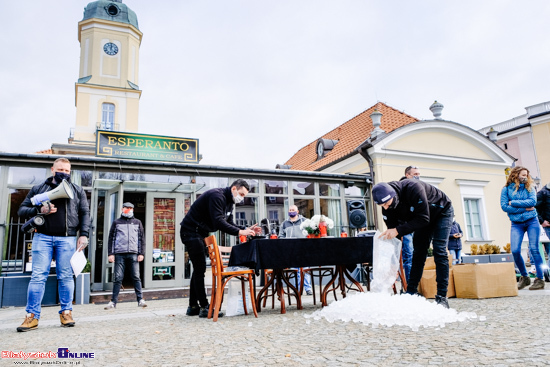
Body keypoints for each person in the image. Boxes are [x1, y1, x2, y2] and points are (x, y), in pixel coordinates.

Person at [16, 158, 90, 332]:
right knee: (38, 277)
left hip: (67, 239)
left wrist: (84, 235)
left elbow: (85, 213)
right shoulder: (39, 189)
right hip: (42, 237)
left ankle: (66, 313)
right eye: (60, 169)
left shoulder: (78, 191)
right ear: (52, 169)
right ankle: (31, 317)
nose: (64, 172)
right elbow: (21, 210)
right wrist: (39, 210)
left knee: (65, 276)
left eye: (67, 169)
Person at [180, 179, 261, 318]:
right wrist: (240, 232)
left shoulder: (230, 203)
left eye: (244, 196)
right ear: (234, 188)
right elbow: (218, 221)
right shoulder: (217, 196)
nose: (241, 198)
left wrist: (244, 228)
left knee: (198, 268)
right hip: (191, 230)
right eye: (241, 194)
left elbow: (229, 222)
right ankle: (205, 307)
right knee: (200, 269)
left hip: (201, 233)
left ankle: (193, 306)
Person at [372, 180, 454, 308]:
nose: (386, 207)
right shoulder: (387, 209)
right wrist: (390, 262)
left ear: (394, 196)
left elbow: (423, 218)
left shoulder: (413, 188)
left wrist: (397, 230)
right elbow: (396, 237)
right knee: (418, 253)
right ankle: (411, 292)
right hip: (420, 219)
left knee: (439, 250)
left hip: (441, 212)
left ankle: (442, 297)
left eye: (387, 203)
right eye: (382, 205)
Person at [501, 166, 545, 290]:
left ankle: (540, 279)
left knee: (534, 249)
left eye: (526, 175)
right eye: (523, 175)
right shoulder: (506, 189)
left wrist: (513, 203)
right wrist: (523, 208)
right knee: (515, 250)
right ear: (516, 175)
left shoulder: (530, 187)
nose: (525, 177)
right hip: (516, 224)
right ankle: (524, 277)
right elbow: (504, 206)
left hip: (532, 221)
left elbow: (532, 202)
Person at [104, 202, 147, 310]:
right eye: (127, 208)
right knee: (118, 278)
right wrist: (111, 253)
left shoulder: (137, 222)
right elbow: (111, 239)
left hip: (133, 253)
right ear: (122, 209)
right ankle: (113, 302)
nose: (129, 209)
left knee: (136, 277)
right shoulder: (116, 222)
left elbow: (141, 239)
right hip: (119, 254)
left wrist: (141, 253)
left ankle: (140, 300)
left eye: (131, 208)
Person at [278, 205, 312, 296]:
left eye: (293, 210)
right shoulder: (284, 223)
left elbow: (311, 232)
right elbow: (280, 236)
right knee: (294, 270)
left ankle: (308, 289)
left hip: (303, 249)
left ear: (298, 211)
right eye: (290, 210)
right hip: (291, 250)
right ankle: (296, 289)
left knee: (305, 269)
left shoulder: (305, 221)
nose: (291, 211)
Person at [399, 165, 421, 282]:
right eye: (415, 174)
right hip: (405, 227)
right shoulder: (401, 189)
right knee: (409, 256)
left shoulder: (417, 188)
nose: (417, 177)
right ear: (407, 175)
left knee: (416, 256)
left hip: (415, 226)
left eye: (419, 174)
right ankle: (409, 286)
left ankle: (415, 284)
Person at [536, 181, 550, 270]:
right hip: (547, 226)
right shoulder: (543, 193)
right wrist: (542, 221)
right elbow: (534, 208)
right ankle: (548, 271)